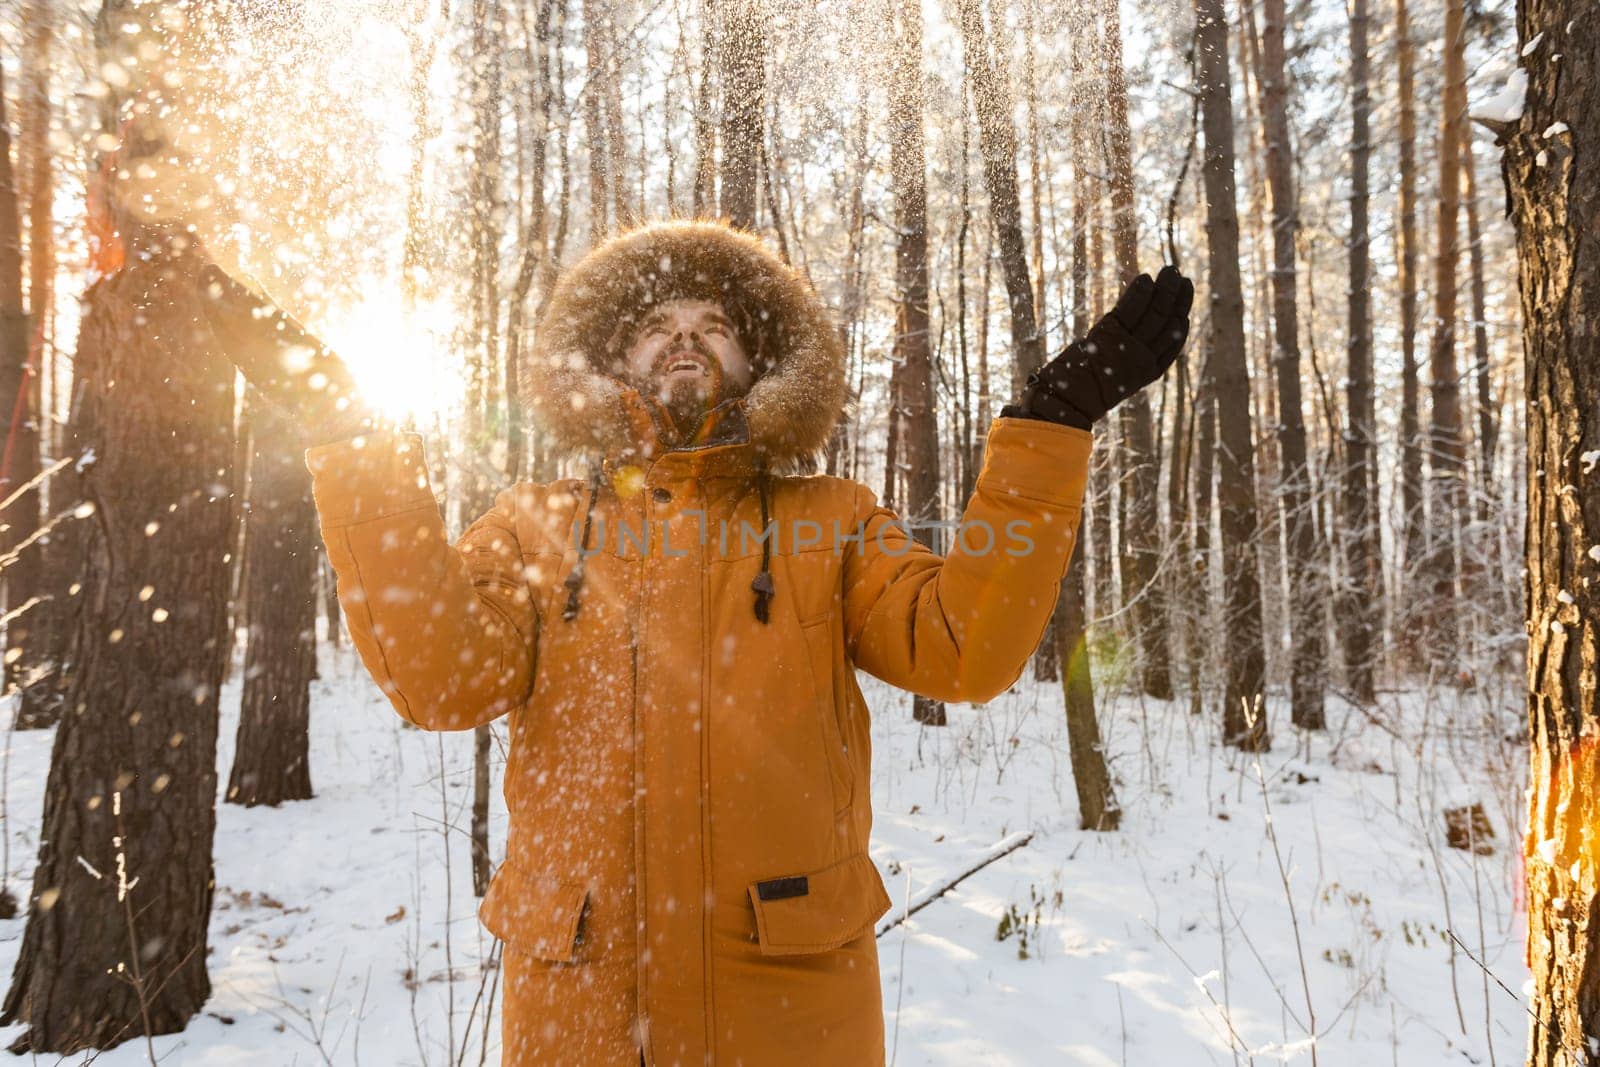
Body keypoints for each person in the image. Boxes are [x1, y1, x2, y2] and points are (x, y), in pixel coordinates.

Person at [203, 218, 1192, 1066]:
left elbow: (962, 648)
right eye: (656, 327)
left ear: (757, 360)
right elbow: (439, 682)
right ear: (612, 359)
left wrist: (1047, 427)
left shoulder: (829, 520)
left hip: (786, 1009)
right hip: (578, 1013)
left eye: (713, 325)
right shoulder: (534, 523)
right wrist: (349, 438)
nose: (686, 341)